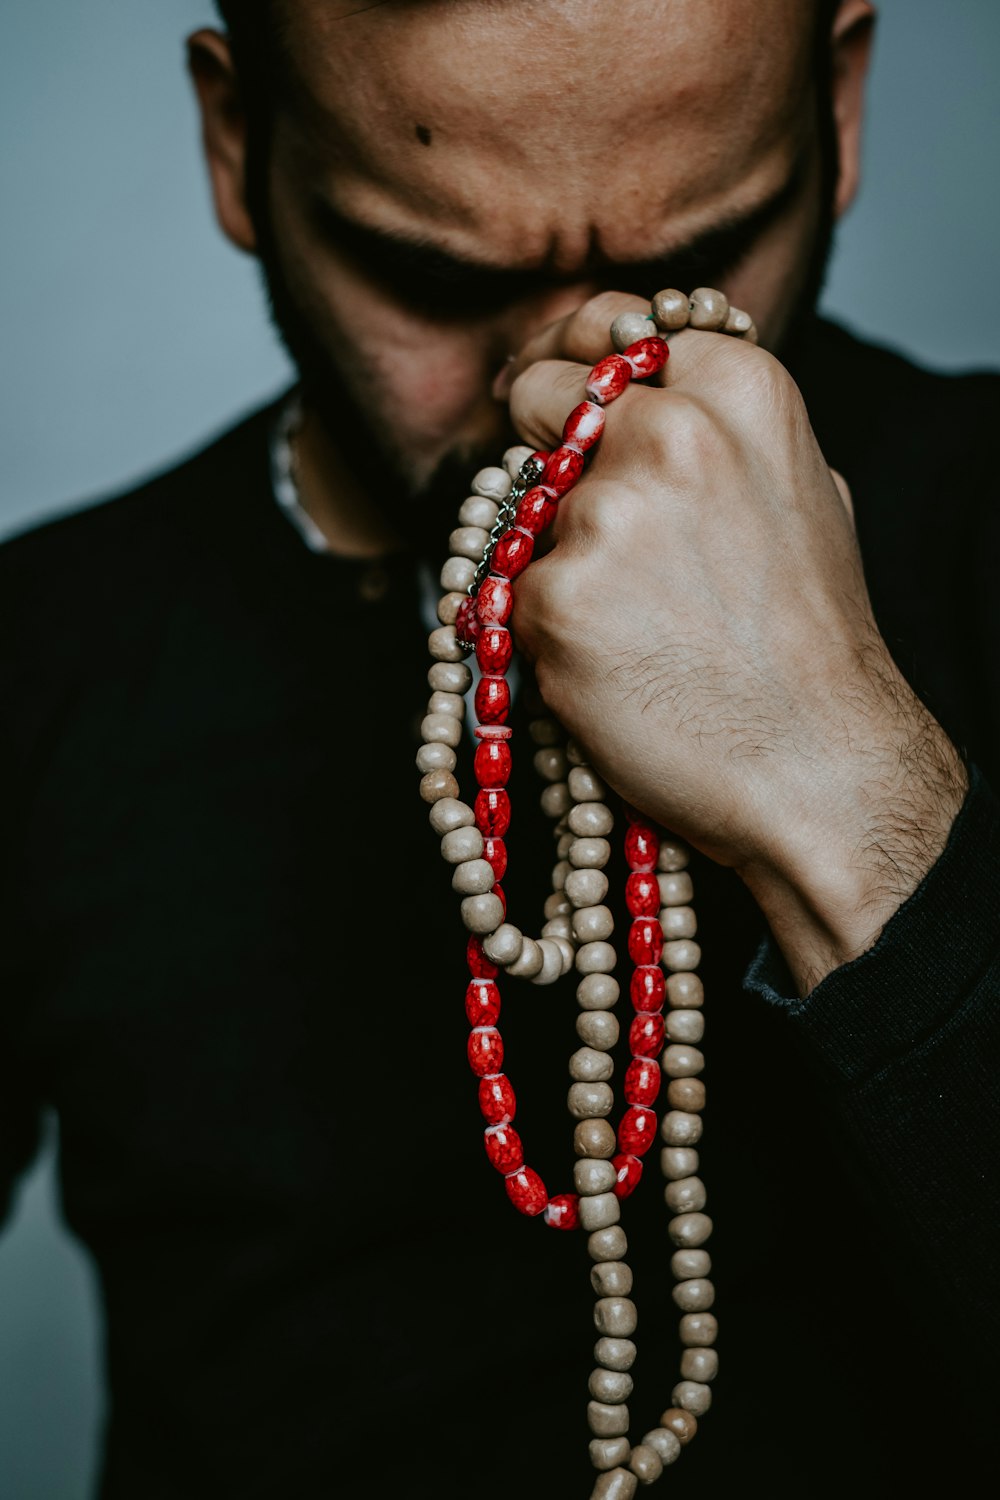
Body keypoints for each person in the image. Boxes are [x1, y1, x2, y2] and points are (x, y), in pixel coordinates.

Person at [1, 1, 997, 1495]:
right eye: (430, 272)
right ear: (234, 144)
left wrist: (850, 792)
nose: (571, 384)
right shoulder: (44, 663)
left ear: (840, 109)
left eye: (700, 261)